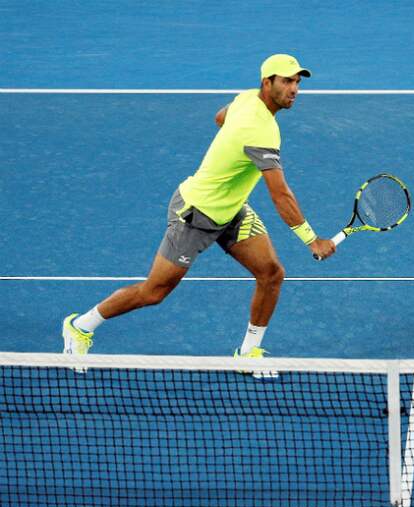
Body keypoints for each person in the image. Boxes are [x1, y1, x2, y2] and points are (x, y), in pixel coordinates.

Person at [62, 54, 335, 375]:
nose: (295, 89)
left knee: (271, 273)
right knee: (154, 292)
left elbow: (220, 117)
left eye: (298, 82)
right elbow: (280, 194)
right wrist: (311, 240)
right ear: (268, 82)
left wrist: (232, 151)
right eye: (287, 81)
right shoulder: (261, 129)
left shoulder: (247, 99)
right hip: (195, 214)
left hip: (231, 210)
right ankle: (80, 326)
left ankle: (247, 354)